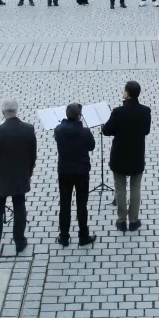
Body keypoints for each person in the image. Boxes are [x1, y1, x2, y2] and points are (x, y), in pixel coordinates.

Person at [0, 99, 36, 254]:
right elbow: (33, 155)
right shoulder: (28, 129)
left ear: (2, 112)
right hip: (20, 177)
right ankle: (20, 242)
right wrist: (29, 173)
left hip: (1, 179)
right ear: (17, 111)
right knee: (20, 207)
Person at [102, 80, 152, 231]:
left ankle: (121, 221)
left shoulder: (118, 112)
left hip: (120, 157)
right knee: (135, 188)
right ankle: (134, 220)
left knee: (121, 189)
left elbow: (107, 131)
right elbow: (146, 131)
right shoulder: (145, 111)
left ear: (127, 94)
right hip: (136, 156)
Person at [53, 102, 96, 246]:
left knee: (64, 205)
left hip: (64, 172)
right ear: (79, 116)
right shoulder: (85, 132)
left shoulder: (59, 130)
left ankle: (64, 236)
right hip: (81, 173)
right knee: (81, 205)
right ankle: (83, 235)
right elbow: (91, 146)